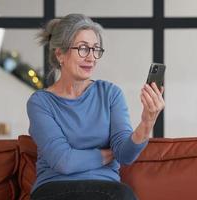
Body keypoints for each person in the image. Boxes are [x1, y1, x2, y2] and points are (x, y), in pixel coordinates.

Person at [27, 13, 165, 200]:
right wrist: (108, 154)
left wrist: (147, 122)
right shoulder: (40, 102)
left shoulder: (110, 94)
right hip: (54, 189)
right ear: (60, 54)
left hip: (106, 189)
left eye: (95, 49)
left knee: (124, 195)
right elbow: (63, 162)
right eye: (83, 49)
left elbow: (124, 154)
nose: (91, 57)